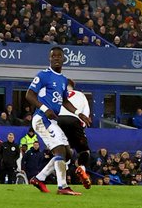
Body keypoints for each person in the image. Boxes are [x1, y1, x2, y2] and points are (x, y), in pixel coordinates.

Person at [26, 46, 92, 195]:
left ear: (63, 59)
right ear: (49, 59)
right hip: (42, 118)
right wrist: (45, 109)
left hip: (53, 120)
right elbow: (29, 95)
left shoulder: (62, 79)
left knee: (67, 154)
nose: (56, 58)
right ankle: (62, 186)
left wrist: (78, 113)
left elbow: (64, 101)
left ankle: (39, 178)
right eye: (53, 56)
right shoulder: (43, 75)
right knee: (60, 150)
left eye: (58, 56)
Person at [57, 79, 92, 180]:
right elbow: (86, 111)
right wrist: (82, 125)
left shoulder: (58, 95)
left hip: (58, 121)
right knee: (84, 150)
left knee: (62, 151)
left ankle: (62, 176)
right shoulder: (80, 95)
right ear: (73, 86)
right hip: (74, 121)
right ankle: (82, 167)